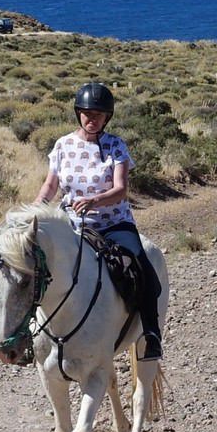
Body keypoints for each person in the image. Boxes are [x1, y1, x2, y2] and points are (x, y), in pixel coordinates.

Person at [33, 83, 164, 360]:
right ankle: (30, 332)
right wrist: (35, 209)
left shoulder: (116, 145)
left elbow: (121, 189)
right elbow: (50, 185)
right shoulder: (63, 145)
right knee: (36, 264)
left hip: (113, 223)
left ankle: (151, 333)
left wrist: (94, 200)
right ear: (78, 113)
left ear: (107, 117)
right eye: (87, 113)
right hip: (71, 224)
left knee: (141, 265)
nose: (92, 119)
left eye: (98, 114)